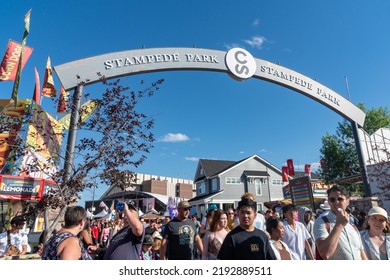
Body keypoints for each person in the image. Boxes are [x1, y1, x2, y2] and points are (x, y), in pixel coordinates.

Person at [313, 185, 368, 260]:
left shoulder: (352, 227)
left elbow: (361, 253)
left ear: (347, 202)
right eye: (332, 199)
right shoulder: (321, 222)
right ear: (328, 202)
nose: (336, 202)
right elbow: (325, 253)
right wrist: (339, 225)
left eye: (340, 199)